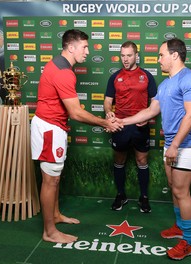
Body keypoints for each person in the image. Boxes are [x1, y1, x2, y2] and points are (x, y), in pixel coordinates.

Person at [31, 29, 122, 244]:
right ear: (71, 47)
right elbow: (76, 112)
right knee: (50, 180)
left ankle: (54, 215)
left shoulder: (59, 64)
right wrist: (104, 122)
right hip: (49, 129)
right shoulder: (64, 72)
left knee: (54, 178)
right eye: (84, 47)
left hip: (53, 127)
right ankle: (49, 231)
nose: (88, 52)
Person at [122, 38, 191, 260]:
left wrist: (176, 145)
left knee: (181, 191)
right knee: (172, 186)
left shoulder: (190, 79)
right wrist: (123, 121)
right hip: (172, 143)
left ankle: (188, 242)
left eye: (161, 55)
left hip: (189, 144)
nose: (158, 59)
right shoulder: (165, 83)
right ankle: (180, 227)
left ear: (175, 55)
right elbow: (151, 111)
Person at [104, 41, 157, 213]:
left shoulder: (147, 76)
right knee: (119, 160)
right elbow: (107, 101)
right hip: (120, 125)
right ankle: (121, 195)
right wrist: (108, 113)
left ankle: (143, 197)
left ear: (136, 55)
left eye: (129, 55)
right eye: (122, 55)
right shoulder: (114, 77)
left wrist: (148, 118)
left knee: (142, 161)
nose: (125, 59)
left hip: (140, 126)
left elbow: (155, 103)